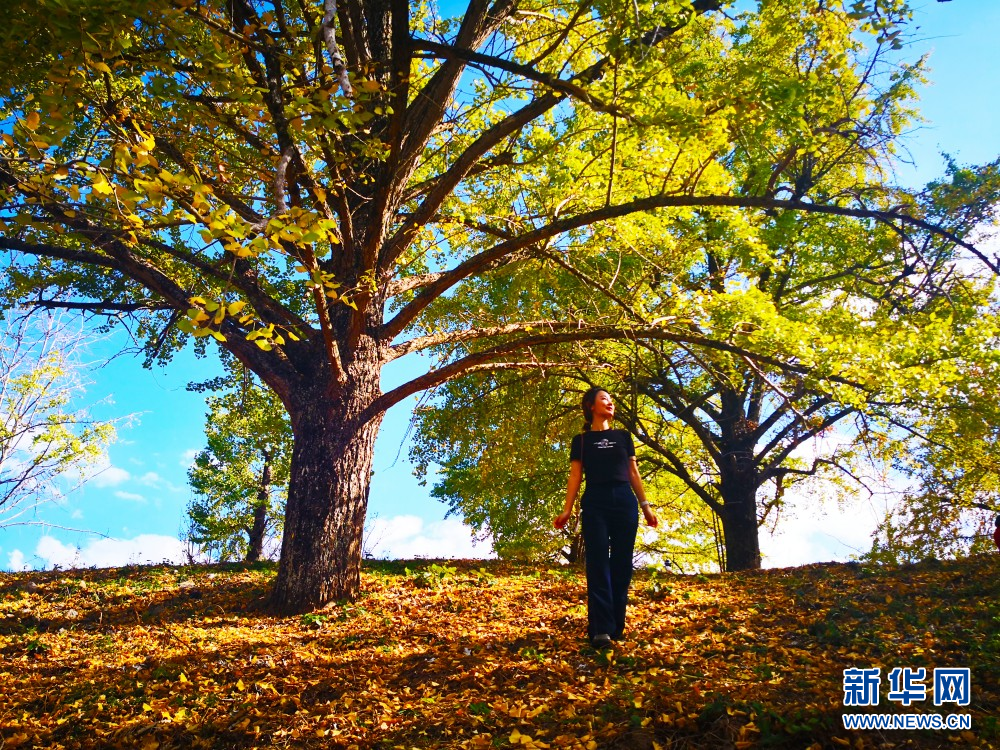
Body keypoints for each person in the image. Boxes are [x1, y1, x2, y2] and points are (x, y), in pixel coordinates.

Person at [554, 387, 658, 649]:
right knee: (598, 562)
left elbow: (633, 472)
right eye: (604, 399)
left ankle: (616, 626)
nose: (610, 402)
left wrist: (645, 506)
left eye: (611, 399)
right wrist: (567, 509)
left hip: (624, 500)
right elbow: (575, 476)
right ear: (590, 405)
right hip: (595, 502)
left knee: (621, 564)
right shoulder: (581, 440)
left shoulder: (623, 436)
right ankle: (600, 630)